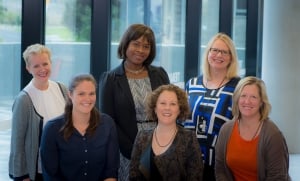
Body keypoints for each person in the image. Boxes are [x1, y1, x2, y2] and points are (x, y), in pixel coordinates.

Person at [99, 23, 170, 180]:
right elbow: (108, 121)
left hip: (161, 145)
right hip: (127, 149)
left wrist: (164, 143)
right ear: (126, 45)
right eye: (136, 44)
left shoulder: (160, 74)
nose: (140, 50)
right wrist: (135, 149)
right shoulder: (110, 79)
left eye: (146, 46)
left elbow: (171, 108)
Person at [40, 74, 119, 181]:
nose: (87, 99)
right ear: (70, 95)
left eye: (91, 93)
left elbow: (111, 171)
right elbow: (51, 175)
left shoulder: (108, 124)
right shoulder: (52, 129)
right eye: (81, 94)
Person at [183, 32, 240, 180]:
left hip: (221, 160)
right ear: (208, 53)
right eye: (214, 50)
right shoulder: (192, 84)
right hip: (189, 158)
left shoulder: (238, 87)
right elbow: (181, 119)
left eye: (224, 52)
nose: (218, 55)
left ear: (231, 57)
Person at [8, 44, 68, 181]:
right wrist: (22, 176)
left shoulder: (61, 89)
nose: (42, 69)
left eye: (45, 63)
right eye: (36, 66)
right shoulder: (24, 100)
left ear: (51, 64)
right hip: (39, 172)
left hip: (63, 167)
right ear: (28, 68)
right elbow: (17, 142)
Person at [215, 76, 291, 180]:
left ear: (261, 102)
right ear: (237, 99)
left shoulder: (272, 134)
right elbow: (220, 170)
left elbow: (277, 177)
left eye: (253, 97)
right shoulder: (226, 129)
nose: (247, 101)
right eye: (243, 96)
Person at [129, 84, 203, 180]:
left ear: (179, 109)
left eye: (173, 104)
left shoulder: (189, 138)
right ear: (155, 108)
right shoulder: (142, 136)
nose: (167, 108)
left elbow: (195, 177)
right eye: (163, 103)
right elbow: (133, 175)